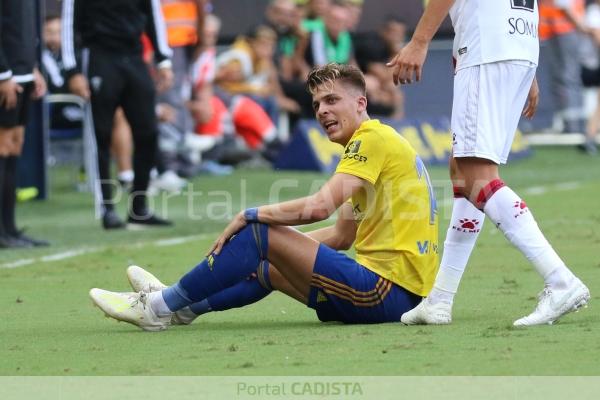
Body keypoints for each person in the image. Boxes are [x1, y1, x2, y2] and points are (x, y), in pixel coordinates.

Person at [88, 63, 440, 330]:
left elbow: (319, 207)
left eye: (332, 100)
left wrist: (252, 216)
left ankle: (157, 307)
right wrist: (284, 250)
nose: (322, 111)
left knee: (260, 230)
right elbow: (340, 236)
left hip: (386, 293)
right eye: (317, 104)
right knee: (269, 264)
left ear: (361, 102)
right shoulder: (379, 143)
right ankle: (182, 307)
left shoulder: (371, 139)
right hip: (394, 296)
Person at [387, 0, 590, 326]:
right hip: (516, 45)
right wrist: (527, 66)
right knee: (462, 170)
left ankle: (560, 281)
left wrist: (420, 40)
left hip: (488, 50)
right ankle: (440, 298)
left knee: (476, 176)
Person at [62, 0, 174, 229]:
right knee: (100, 135)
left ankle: (139, 207)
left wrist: (163, 58)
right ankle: (106, 208)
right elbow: (69, 22)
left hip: (134, 57)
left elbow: (153, 14)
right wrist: (72, 70)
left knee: (148, 132)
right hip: (98, 57)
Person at [0, 0, 49, 248]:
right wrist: (3, 74)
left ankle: (10, 228)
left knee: (14, 147)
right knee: (3, 146)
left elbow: (26, 28)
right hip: (6, 76)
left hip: (23, 72)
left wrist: (33, 68)